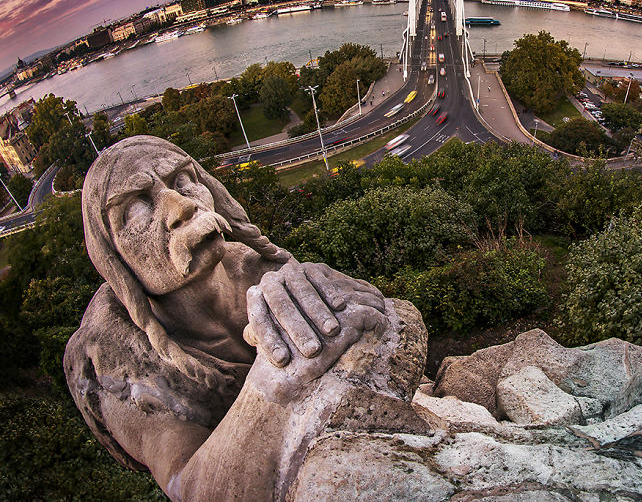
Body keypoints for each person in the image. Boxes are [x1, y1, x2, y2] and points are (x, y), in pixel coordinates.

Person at [64, 136, 398, 500]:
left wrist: (349, 302)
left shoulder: (257, 266)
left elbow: (385, 326)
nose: (182, 208)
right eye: (135, 209)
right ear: (113, 254)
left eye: (182, 181)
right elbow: (190, 488)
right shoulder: (116, 360)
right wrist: (275, 383)